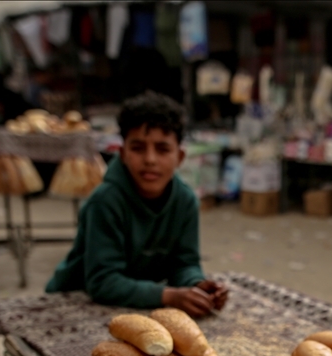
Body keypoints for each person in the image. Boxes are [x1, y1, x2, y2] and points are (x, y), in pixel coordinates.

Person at [46, 92, 227, 316]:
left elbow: (185, 263)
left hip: (133, 301)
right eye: (138, 148)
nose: (150, 159)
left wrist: (197, 285)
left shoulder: (186, 201)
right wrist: (169, 296)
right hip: (73, 302)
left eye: (162, 149)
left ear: (180, 157)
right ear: (122, 154)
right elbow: (103, 282)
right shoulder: (105, 201)